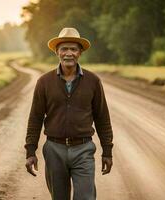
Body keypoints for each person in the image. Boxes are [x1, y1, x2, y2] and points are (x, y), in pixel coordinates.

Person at [25, 27, 114, 200]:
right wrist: (30, 151)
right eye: (64, 49)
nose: (68, 53)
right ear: (57, 52)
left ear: (80, 52)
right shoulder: (44, 82)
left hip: (83, 149)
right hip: (54, 150)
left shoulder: (93, 81)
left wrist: (107, 151)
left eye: (73, 49)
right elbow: (35, 118)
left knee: (86, 197)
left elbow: (102, 118)